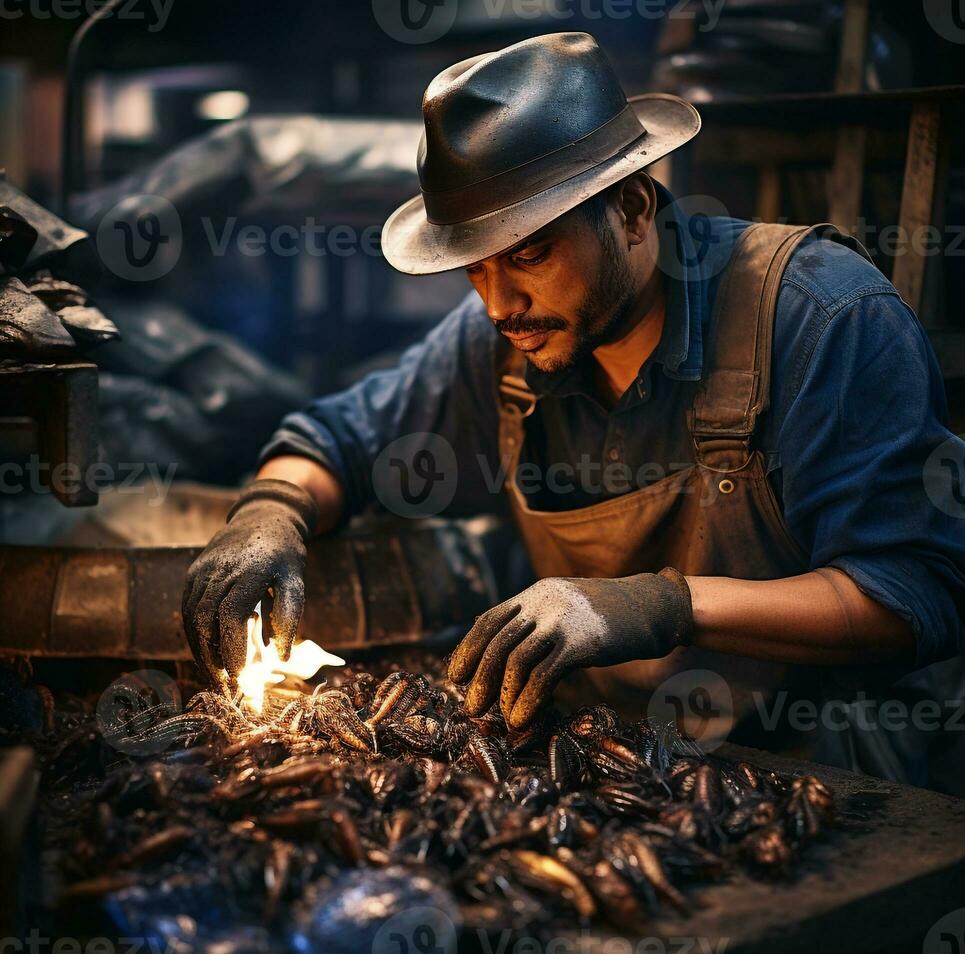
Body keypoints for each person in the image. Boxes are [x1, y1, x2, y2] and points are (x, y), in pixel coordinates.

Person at [182, 33, 965, 785]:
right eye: (474, 269)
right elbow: (339, 440)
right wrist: (271, 514)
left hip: (814, 759)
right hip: (617, 753)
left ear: (629, 209)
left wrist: (660, 605)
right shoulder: (507, 341)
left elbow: (913, 594)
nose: (499, 303)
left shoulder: (820, 317)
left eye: (528, 254)